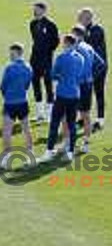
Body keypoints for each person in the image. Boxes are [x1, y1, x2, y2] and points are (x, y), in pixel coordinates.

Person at [40, 34, 85, 162]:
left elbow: (53, 75)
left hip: (62, 95)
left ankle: (49, 151)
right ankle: (70, 152)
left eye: (64, 43)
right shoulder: (80, 58)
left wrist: (61, 77)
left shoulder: (61, 57)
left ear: (67, 43)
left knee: (54, 123)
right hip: (75, 94)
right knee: (72, 124)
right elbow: (79, 76)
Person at [71, 24, 105, 154]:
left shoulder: (77, 48)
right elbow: (101, 64)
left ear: (79, 35)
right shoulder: (89, 47)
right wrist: (91, 76)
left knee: (71, 114)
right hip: (87, 85)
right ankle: (85, 144)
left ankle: (70, 145)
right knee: (86, 114)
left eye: (73, 34)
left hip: (77, 85)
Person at [0, 43, 33, 168]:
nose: (10, 56)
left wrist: (7, 95)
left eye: (12, 54)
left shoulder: (9, 68)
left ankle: (6, 160)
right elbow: (27, 85)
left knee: (7, 132)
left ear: (18, 53)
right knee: (26, 129)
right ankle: (29, 157)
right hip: (23, 102)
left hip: (10, 103)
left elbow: (3, 86)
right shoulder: (28, 67)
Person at [29, 1, 59, 122]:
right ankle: (39, 113)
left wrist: (47, 51)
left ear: (43, 10)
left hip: (46, 59)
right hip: (34, 58)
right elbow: (35, 39)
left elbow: (55, 41)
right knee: (35, 83)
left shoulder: (51, 24)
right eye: (34, 9)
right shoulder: (32, 23)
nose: (34, 11)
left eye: (36, 9)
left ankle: (49, 113)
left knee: (48, 85)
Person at [78, 7, 107, 131]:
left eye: (81, 17)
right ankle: (83, 117)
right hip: (86, 68)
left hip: (98, 67)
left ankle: (100, 120)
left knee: (98, 92)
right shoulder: (82, 29)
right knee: (84, 93)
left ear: (88, 18)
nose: (79, 18)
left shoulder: (96, 29)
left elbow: (90, 47)